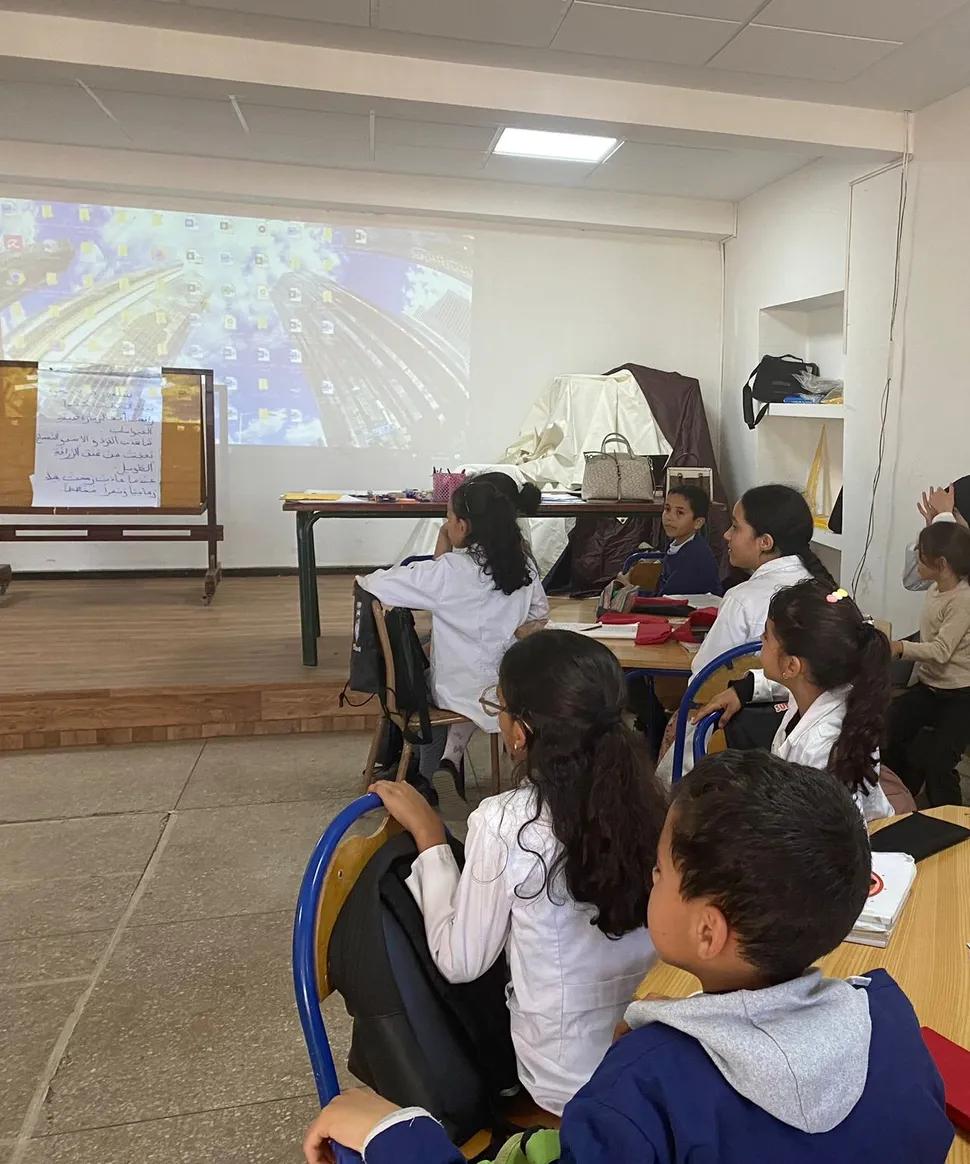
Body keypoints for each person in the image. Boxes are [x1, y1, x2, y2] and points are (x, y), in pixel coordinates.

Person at [304, 751, 952, 1164]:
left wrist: (396, 1135)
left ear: (707, 932)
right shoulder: (890, 1020)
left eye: (662, 871)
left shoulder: (640, 1088)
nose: (650, 876)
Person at [367, 630, 668, 1115]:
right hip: (653, 1055)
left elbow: (460, 961)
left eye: (499, 705)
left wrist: (431, 840)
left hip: (564, 1074)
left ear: (520, 732)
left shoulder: (507, 821)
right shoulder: (656, 801)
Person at [359, 476, 548, 796]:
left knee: (428, 672)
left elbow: (373, 583)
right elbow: (539, 614)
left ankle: (434, 769)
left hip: (454, 691)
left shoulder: (449, 571)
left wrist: (441, 551)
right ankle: (451, 759)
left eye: (448, 518)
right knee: (480, 682)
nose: (445, 524)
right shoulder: (524, 565)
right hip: (508, 691)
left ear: (463, 525)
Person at [657, 483, 835, 779]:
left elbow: (705, 681)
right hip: (786, 723)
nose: (726, 535)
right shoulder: (824, 590)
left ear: (764, 541)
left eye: (735, 527)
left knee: (681, 721)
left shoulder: (743, 598)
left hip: (736, 733)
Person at [694, 580, 893, 821]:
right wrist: (743, 690)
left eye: (766, 637)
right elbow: (780, 683)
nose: (760, 639)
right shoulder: (823, 686)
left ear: (791, 665)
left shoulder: (818, 749)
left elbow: (830, 844)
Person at [886, 519, 970, 806]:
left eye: (921, 556)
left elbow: (942, 650)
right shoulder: (936, 588)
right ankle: (897, 798)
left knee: (939, 761)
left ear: (942, 563)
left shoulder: (962, 600)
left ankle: (954, 829)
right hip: (930, 686)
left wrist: (899, 648)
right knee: (887, 729)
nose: (916, 561)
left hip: (960, 695)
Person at [655, 484, 722, 597]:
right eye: (667, 509)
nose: (669, 517)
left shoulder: (694, 557)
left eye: (680, 512)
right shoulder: (678, 543)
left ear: (698, 523)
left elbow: (666, 599)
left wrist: (631, 588)